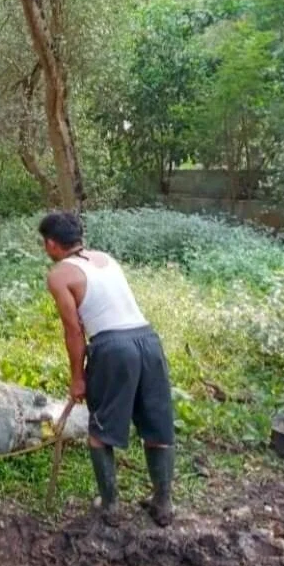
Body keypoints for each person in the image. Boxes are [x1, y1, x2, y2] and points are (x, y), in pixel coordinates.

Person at [39, 211, 175, 527]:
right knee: (157, 426)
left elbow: (73, 331)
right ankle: (163, 503)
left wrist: (78, 378)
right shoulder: (105, 259)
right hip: (147, 340)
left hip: (113, 347)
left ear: (51, 244)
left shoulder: (59, 274)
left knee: (101, 432)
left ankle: (110, 505)